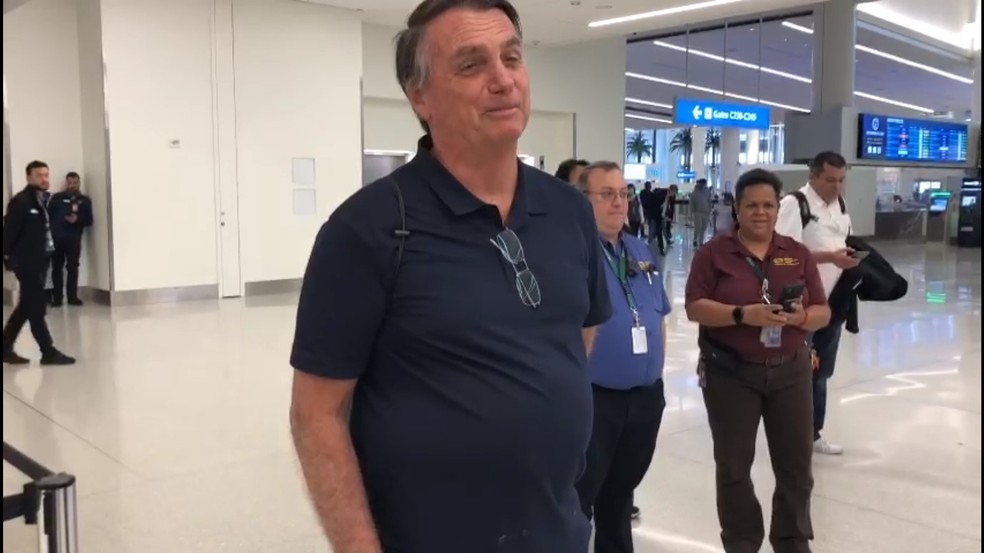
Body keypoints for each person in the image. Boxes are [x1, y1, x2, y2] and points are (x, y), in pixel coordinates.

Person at [288, 2, 612, 552]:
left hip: (557, 531)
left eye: (512, 57)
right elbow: (316, 414)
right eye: (471, 65)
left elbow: (575, 339)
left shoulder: (570, 212)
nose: (503, 79)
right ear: (420, 96)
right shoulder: (369, 229)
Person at [685, 168, 831, 553]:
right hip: (732, 374)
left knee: (797, 468)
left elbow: (822, 311)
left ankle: (792, 540)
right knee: (733, 467)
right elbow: (695, 307)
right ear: (737, 208)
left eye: (768, 205)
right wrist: (741, 315)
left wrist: (801, 317)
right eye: (752, 205)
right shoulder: (713, 254)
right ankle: (742, 542)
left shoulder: (795, 253)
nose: (761, 212)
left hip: (791, 370)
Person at [574, 162, 669, 553]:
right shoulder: (574, 253)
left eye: (623, 193)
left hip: (644, 397)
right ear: (583, 201)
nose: (619, 203)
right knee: (580, 499)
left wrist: (658, 379)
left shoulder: (640, 249)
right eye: (607, 194)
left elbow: (658, 312)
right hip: (596, 398)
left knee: (620, 494)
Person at [775, 151, 857, 456]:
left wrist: (849, 257)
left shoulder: (842, 206)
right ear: (813, 176)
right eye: (830, 180)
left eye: (841, 180)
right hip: (803, 303)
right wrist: (829, 257)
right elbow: (782, 254)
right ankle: (787, 433)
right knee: (796, 370)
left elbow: (846, 241)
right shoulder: (795, 205)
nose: (837, 187)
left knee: (820, 371)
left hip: (834, 300)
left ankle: (812, 433)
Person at [3, 161, 76, 366]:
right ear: (28, 177)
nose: (44, 179)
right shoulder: (22, 202)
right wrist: (8, 258)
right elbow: (9, 232)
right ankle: (48, 351)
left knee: (26, 306)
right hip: (26, 263)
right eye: (39, 175)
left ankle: (5, 346)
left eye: (46, 175)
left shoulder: (43, 200)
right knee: (36, 307)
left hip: (40, 261)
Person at [47, 172, 93, 307]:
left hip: (73, 239)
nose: (72, 185)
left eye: (75, 182)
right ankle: (57, 298)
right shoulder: (56, 198)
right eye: (70, 182)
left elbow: (89, 221)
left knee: (73, 267)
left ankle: (73, 297)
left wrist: (77, 220)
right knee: (56, 268)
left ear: (79, 183)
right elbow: (48, 217)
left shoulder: (84, 200)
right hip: (56, 239)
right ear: (66, 183)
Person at [691, 178, 712, 247]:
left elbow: (709, 201)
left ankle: (701, 242)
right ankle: (695, 240)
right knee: (698, 227)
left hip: (705, 212)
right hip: (697, 212)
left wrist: (709, 210)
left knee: (704, 228)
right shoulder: (694, 192)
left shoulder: (707, 191)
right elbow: (692, 203)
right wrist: (692, 212)